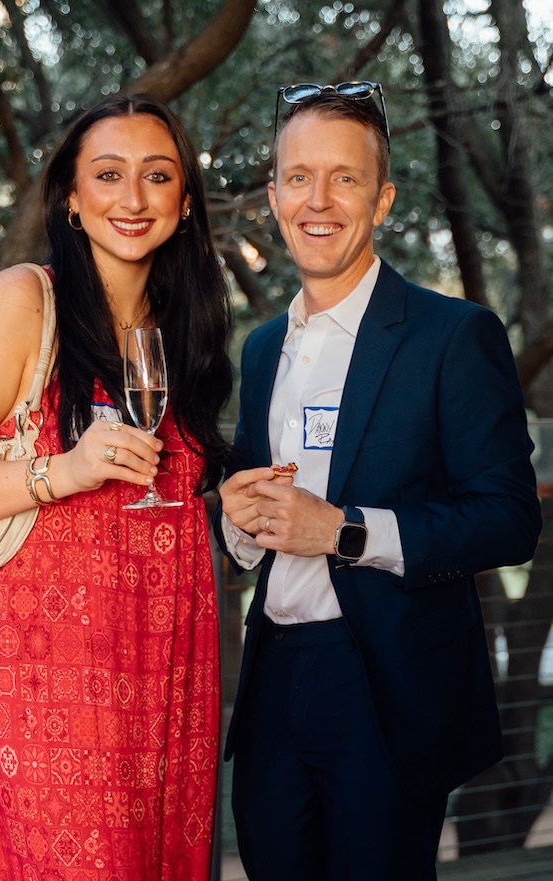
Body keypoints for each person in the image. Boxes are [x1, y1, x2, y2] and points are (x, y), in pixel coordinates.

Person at [213, 82, 541, 881]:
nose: (317, 200)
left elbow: (507, 518)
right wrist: (236, 521)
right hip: (274, 681)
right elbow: (259, 503)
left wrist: (345, 531)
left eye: (345, 177)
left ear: (383, 198)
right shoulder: (260, 350)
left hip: (389, 686)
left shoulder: (454, 335)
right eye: (298, 177)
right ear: (274, 194)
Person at [0, 93, 232, 881]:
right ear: (72, 200)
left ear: (184, 203)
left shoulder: (183, 326)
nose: (133, 197)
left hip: (169, 686)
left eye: (158, 176)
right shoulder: (23, 301)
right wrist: (63, 472)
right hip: (54, 696)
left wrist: (233, 499)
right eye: (108, 174)